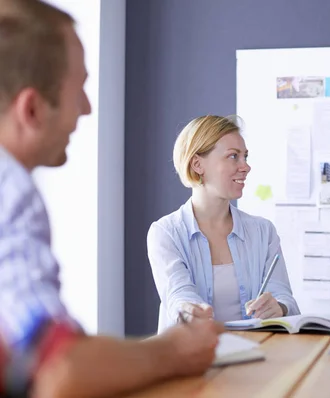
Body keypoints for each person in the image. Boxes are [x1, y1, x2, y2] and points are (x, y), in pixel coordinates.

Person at [0, 1, 223, 397]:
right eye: (79, 89)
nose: (86, 108)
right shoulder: (11, 191)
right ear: (32, 109)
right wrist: (175, 349)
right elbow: (56, 368)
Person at [147, 115, 300, 333]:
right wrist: (189, 312)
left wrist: (279, 307)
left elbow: (284, 297)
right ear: (197, 164)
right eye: (233, 156)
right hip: (192, 360)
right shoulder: (166, 233)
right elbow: (178, 296)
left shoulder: (263, 231)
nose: (245, 167)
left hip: (258, 355)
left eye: (245, 157)